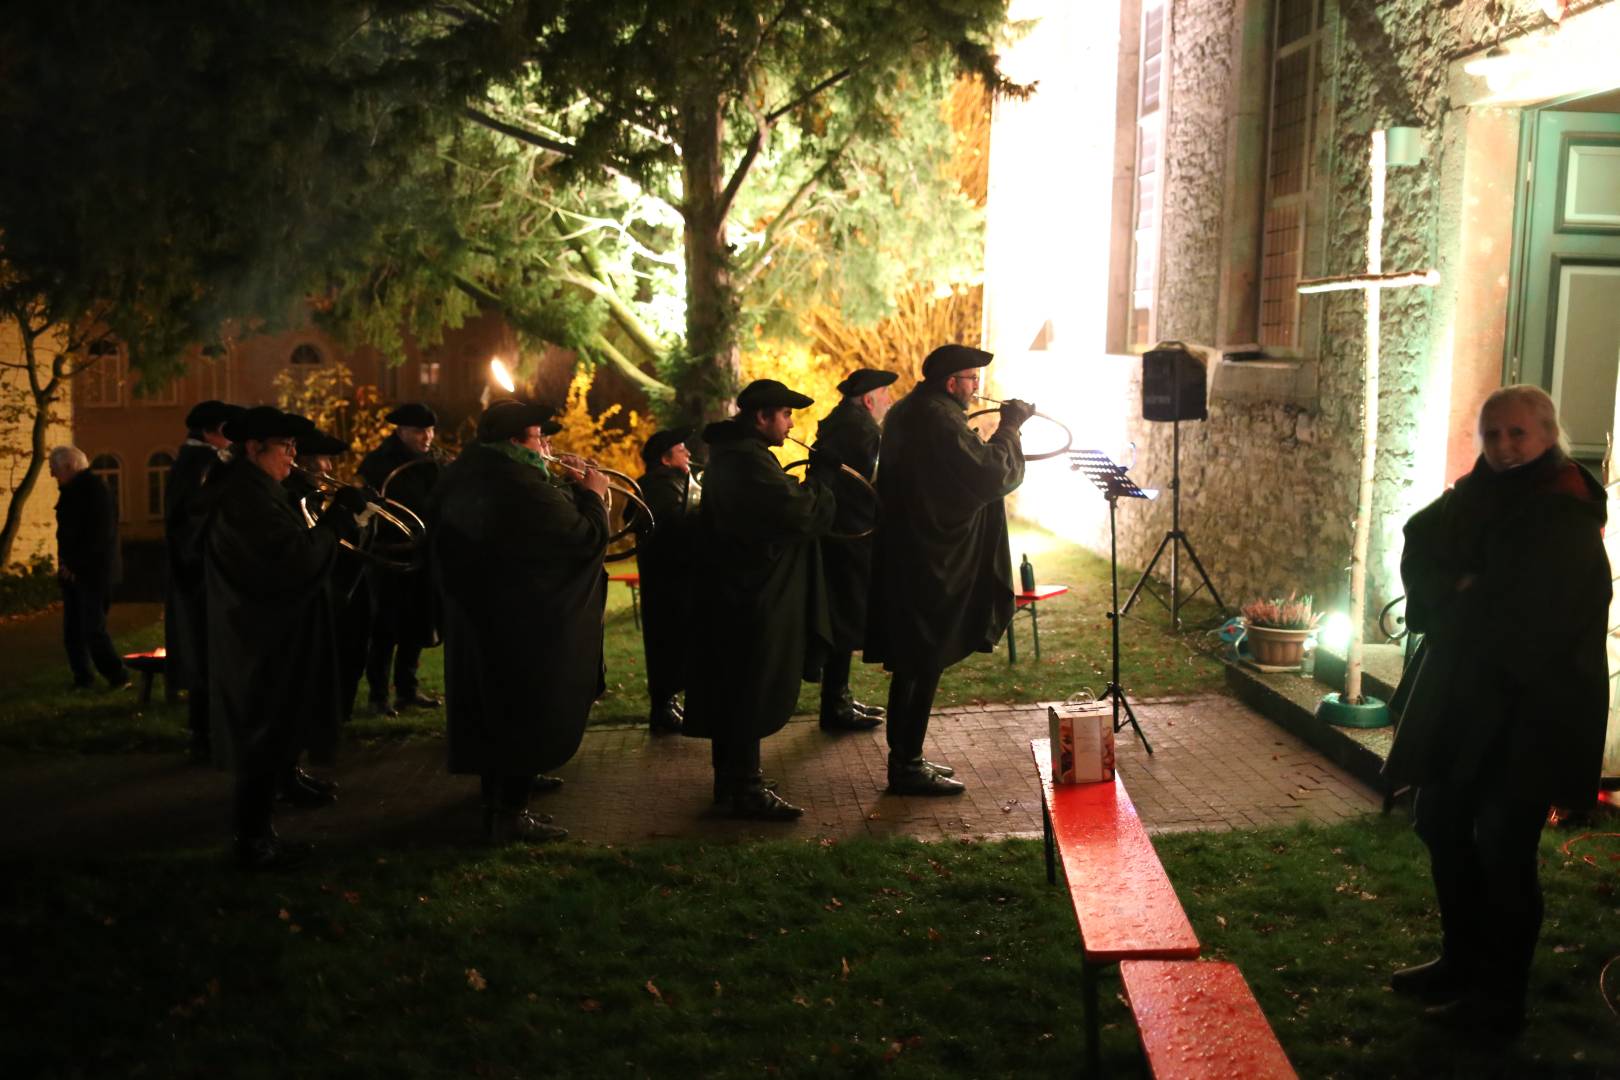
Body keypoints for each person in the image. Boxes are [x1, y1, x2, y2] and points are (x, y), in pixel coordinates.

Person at [1384, 385, 1610, 1035]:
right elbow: (1424, 541)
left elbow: (1536, 615)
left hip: (1531, 709)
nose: (1505, 447)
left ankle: (1499, 1000)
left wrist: (1468, 594)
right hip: (1469, 696)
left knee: (1505, 847)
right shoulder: (1478, 494)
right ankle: (1461, 962)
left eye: (1519, 434)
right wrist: (1463, 591)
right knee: (1440, 818)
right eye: (1494, 434)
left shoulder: (1563, 507)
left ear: (1548, 435)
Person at [431, 399, 611, 843]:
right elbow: (581, 538)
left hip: (480, 618)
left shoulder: (469, 471)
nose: (546, 443)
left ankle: (502, 799)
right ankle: (510, 814)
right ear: (514, 441)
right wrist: (593, 494)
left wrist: (559, 484)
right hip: (523, 623)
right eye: (538, 436)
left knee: (492, 714)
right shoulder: (517, 482)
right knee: (526, 710)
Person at [197, 407, 365, 869]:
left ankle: (261, 829)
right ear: (254, 449)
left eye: (294, 448)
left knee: (275, 730)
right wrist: (334, 523)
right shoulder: (244, 498)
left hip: (271, 631)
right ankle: (253, 842)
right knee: (262, 737)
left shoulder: (256, 488)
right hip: (259, 637)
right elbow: (291, 559)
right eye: (286, 448)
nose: (294, 456)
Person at [863, 344, 1033, 795]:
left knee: (918, 662)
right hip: (928, 560)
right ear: (949, 382)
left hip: (913, 553)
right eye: (971, 379)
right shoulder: (936, 417)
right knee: (921, 660)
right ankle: (905, 766)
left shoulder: (911, 410)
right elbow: (990, 475)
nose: (977, 388)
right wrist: (1010, 427)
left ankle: (909, 759)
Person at [684, 379, 838, 820]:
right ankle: (744, 787)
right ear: (761, 417)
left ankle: (733, 780)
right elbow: (796, 513)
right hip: (745, 598)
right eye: (785, 414)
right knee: (748, 686)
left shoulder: (738, 457)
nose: (791, 423)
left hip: (733, 593)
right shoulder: (746, 463)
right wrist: (821, 478)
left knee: (736, 686)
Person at [809, 368, 896, 732]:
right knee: (845, 617)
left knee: (842, 615)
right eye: (885, 395)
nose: (889, 402)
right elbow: (879, 477)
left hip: (840, 530)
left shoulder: (840, 422)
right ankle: (836, 705)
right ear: (868, 399)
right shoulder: (859, 428)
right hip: (851, 532)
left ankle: (839, 697)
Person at [164, 400, 242, 759]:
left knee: (209, 655)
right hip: (203, 579)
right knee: (208, 654)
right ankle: (205, 736)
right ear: (213, 432)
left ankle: (207, 733)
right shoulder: (203, 465)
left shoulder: (197, 463)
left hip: (200, 576)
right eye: (230, 430)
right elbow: (194, 522)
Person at [357, 402, 442, 718]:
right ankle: (378, 695)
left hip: (422, 553)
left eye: (430, 430)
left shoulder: (431, 461)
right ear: (402, 431)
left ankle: (407, 689)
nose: (427, 437)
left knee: (417, 621)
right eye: (420, 431)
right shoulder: (379, 463)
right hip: (389, 556)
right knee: (385, 626)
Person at [285, 425, 370, 728]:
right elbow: (314, 546)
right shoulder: (294, 497)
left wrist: (363, 517)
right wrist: (340, 515)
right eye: (324, 459)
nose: (330, 468)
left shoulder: (313, 496)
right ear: (303, 461)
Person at [631, 427, 700, 734]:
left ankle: (667, 705)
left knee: (674, 641)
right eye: (681, 449)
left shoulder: (667, 482)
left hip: (672, 578)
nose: (689, 453)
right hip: (668, 580)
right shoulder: (659, 486)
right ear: (664, 458)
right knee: (668, 641)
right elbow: (673, 527)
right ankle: (663, 708)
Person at [50, 446, 128, 690]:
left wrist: (74, 565)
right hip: (80, 571)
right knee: (75, 629)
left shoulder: (93, 492)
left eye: (55, 470)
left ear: (69, 467)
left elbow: (96, 537)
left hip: (92, 573)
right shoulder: (81, 490)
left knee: (92, 628)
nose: (53, 475)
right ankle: (83, 677)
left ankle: (117, 675)